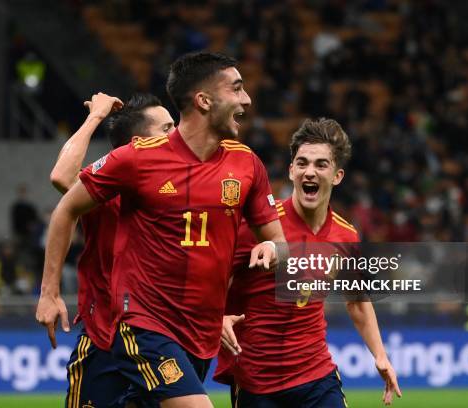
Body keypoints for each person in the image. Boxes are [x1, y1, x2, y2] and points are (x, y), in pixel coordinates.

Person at [36, 51, 286, 408]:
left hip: (197, 335)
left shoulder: (246, 164)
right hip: (136, 325)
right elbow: (65, 197)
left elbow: (278, 242)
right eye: (237, 89)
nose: (246, 99)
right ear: (203, 100)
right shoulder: (135, 163)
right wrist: (49, 292)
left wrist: (274, 250)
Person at [215, 118, 402, 407]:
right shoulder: (257, 225)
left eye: (320, 165)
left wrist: (380, 355)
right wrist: (218, 318)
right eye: (301, 163)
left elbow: (357, 301)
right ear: (291, 171)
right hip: (256, 381)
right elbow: (209, 278)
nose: (309, 172)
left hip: (316, 375)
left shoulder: (345, 235)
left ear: (337, 176)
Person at [48, 91, 175, 408]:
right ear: (137, 142)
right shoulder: (108, 192)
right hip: (106, 339)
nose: (178, 135)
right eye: (167, 129)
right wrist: (96, 116)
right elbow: (62, 177)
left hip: (161, 340)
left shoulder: (184, 189)